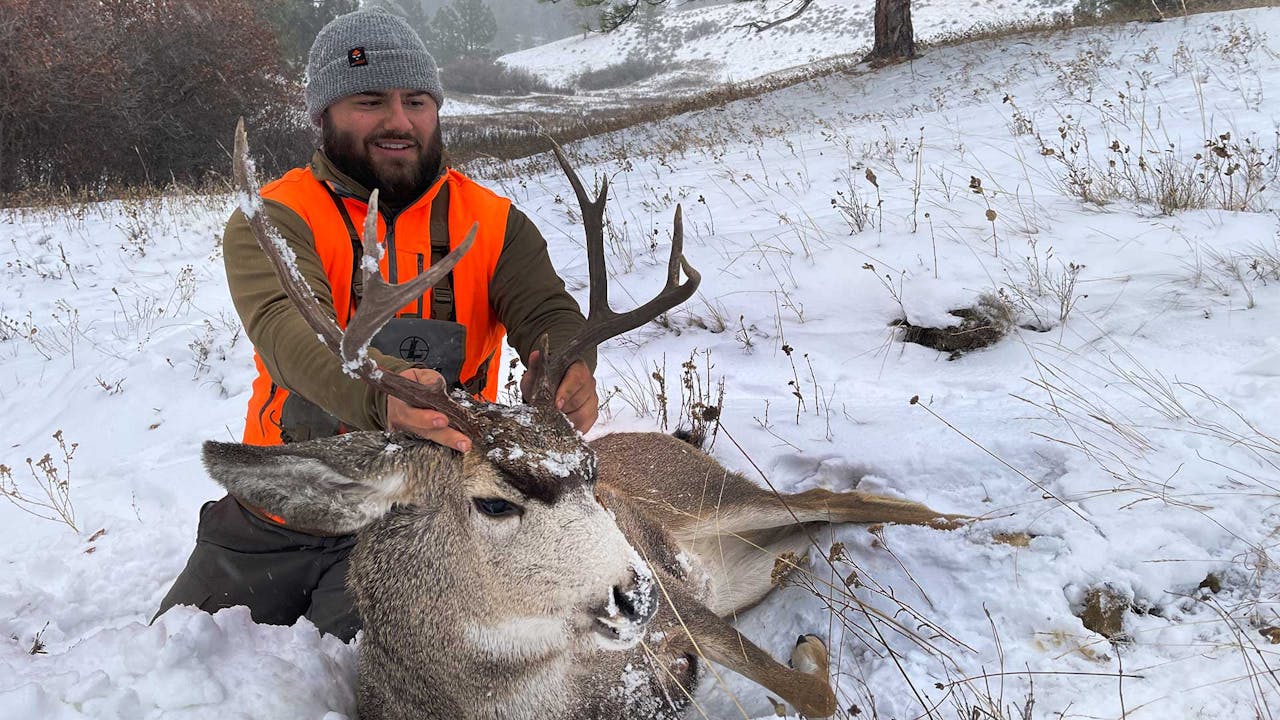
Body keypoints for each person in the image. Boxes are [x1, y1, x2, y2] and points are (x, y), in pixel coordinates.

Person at [155, 8, 598, 641]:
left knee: (352, 685)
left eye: (416, 100)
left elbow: (546, 311)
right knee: (179, 666)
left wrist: (569, 367)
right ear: (323, 115)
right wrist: (380, 395)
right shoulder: (276, 216)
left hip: (427, 511)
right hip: (284, 504)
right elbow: (287, 330)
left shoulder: (493, 223)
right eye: (370, 101)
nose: (398, 121)